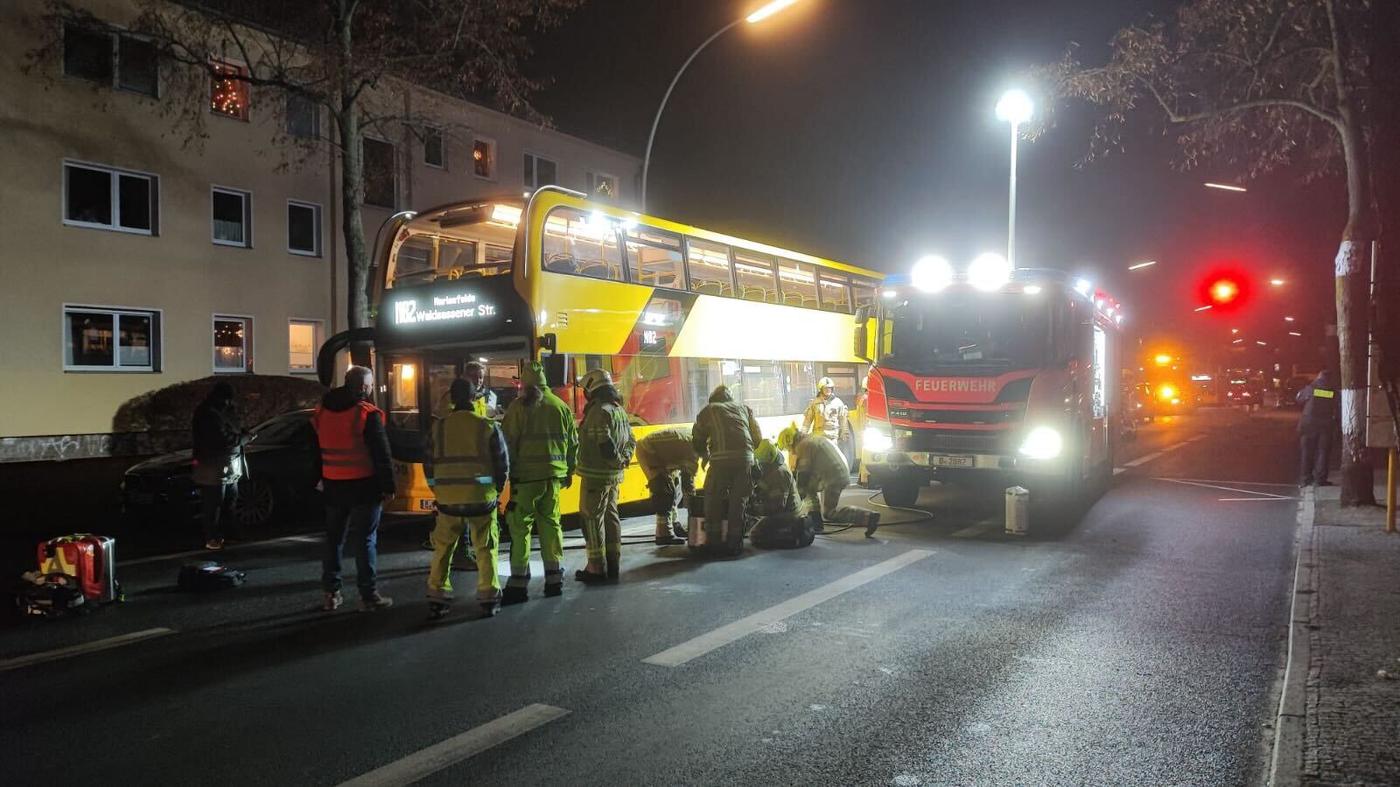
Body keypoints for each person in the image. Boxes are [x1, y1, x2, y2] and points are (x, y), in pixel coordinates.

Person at [313, 365, 396, 612]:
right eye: (370, 385)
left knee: (334, 540)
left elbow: (315, 449)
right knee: (365, 541)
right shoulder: (365, 413)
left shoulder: (322, 412)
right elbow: (382, 454)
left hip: (333, 486)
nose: (371, 389)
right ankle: (368, 595)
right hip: (363, 487)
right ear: (363, 387)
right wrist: (389, 486)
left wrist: (318, 479)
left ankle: (331, 593)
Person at [427, 378, 509, 618]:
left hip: (447, 500)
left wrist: (438, 490)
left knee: (443, 547)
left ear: (451, 399)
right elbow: (502, 464)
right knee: (486, 547)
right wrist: (496, 489)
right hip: (481, 498)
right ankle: (488, 596)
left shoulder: (438, 428)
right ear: (474, 398)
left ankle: (437, 595)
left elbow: (428, 465)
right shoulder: (488, 426)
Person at [500, 361, 578, 603]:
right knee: (551, 526)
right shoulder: (560, 407)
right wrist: (568, 472)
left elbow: (507, 444)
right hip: (552, 479)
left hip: (524, 480)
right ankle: (554, 580)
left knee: (520, 528)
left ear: (525, 384)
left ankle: (518, 585)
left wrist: (507, 474)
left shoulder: (517, 408)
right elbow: (573, 444)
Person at [575, 369, 636, 583]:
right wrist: (623, 461)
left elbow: (604, 444)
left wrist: (616, 460)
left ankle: (596, 568)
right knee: (611, 518)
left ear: (592, 388)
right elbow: (631, 440)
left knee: (592, 521)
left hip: (596, 477)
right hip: (613, 477)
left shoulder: (598, 411)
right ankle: (613, 564)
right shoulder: (618, 410)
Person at [691, 385, 764, 551]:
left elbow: (698, 438)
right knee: (738, 502)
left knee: (713, 499)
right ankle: (734, 544)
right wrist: (746, 453)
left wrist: (704, 454)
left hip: (720, 462)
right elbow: (757, 438)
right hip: (745, 460)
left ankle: (714, 542)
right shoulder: (744, 409)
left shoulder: (709, 410)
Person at [788, 428, 880, 537]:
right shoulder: (812, 439)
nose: (791, 452)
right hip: (838, 473)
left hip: (833, 478)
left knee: (829, 513)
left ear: (790, 443)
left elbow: (803, 474)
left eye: (789, 449)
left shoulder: (803, 446)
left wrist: (795, 502)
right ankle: (815, 519)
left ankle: (867, 517)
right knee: (810, 489)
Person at [191, 381, 243, 551]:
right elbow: (223, 440)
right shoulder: (209, 414)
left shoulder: (217, 412)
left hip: (225, 464)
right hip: (214, 464)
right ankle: (212, 538)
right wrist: (243, 439)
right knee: (214, 503)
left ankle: (228, 535)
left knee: (228, 500)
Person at [748, 438, 816, 549]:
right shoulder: (773, 469)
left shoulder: (780, 474)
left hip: (789, 515)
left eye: (763, 464)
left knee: (755, 535)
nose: (761, 466)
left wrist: (754, 509)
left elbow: (777, 506)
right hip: (786, 511)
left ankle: (789, 536)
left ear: (769, 461)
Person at [634, 427, 697, 545]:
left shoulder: (692, 440)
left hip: (663, 457)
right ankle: (663, 534)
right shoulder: (692, 449)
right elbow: (689, 483)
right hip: (648, 451)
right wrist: (693, 508)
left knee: (675, 490)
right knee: (664, 490)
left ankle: (675, 525)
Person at [1296, 369, 1339, 486]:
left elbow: (1299, 398)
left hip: (1308, 424)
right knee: (1323, 453)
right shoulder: (1333, 391)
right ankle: (1320, 479)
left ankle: (1306, 478)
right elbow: (1337, 406)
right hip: (1325, 424)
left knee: (1307, 452)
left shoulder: (1311, 388)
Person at [802, 376, 852, 463]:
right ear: (821, 389)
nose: (828, 390)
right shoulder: (814, 403)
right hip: (818, 438)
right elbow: (807, 421)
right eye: (826, 388)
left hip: (832, 438)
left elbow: (843, 420)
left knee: (832, 462)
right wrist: (802, 434)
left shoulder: (838, 403)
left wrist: (844, 433)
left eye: (830, 388)